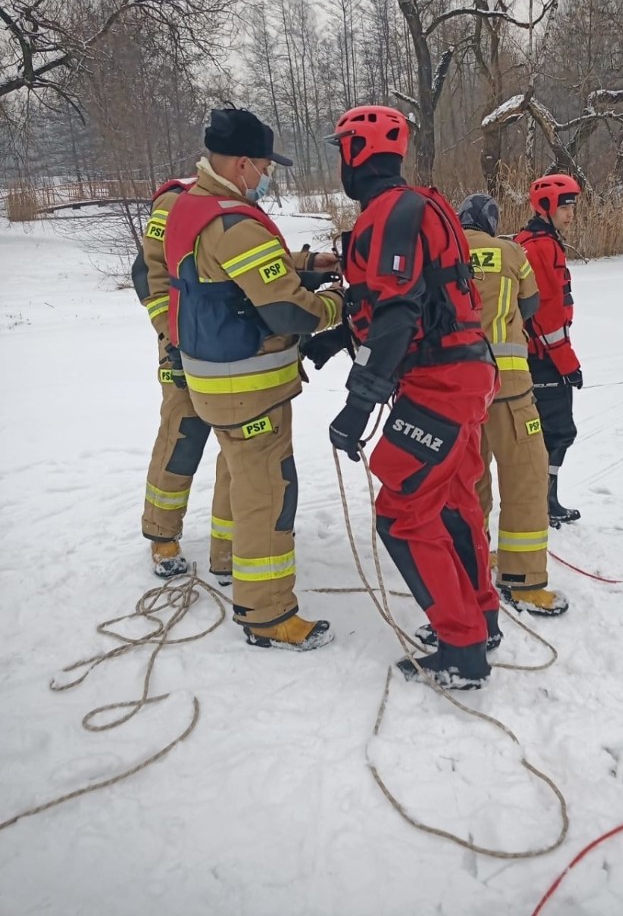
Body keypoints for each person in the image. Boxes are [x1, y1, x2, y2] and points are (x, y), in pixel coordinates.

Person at [306, 104, 501, 690]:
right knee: (452, 500)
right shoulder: (421, 206)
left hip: (439, 384)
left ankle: (462, 649)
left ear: (355, 154)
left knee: (402, 513)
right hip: (466, 376)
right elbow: (417, 302)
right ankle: (481, 617)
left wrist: (356, 408)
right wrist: (337, 338)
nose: (340, 160)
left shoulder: (388, 214)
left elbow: (395, 317)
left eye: (342, 149)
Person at [164, 107, 344, 652]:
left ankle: (227, 559)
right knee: (269, 492)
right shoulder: (234, 223)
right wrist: (337, 303)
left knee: (241, 478)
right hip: (248, 388)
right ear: (243, 163)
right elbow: (290, 313)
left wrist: (310, 260)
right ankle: (267, 614)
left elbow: (245, 264)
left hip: (211, 380)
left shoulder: (189, 206)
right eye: (265, 166)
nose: (267, 176)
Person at [455, 193, 568, 616]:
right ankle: (523, 581)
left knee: (470, 477)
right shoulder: (511, 252)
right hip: (509, 383)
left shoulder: (443, 249)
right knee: (526, 474)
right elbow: (531, 303)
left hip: (458, 386)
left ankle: (472, 563)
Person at [132, 175, 233, 583]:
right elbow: (150, 273)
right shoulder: (177, 201)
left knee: (240, 446)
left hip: (230, 348)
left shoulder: (238, 202)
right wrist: (170, 333)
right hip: (182, 343)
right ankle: (162, 534)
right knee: (182, 435)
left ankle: (230, 546)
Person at [516, 174, 584, 526]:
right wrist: (568, 364)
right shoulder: (543, 248)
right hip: (542, 357)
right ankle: (543, 501)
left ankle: (543, 498)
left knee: (544, 431)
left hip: (532, 354)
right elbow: (547, 315)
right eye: (564, 206)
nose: (570, 213)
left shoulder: (528, 241)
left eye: (572, 205)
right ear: (546, 207)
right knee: (557, 431)